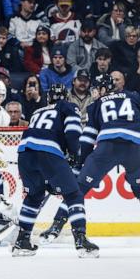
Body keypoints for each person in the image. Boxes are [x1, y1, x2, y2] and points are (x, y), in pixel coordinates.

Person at [40, 74, 140, 244]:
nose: (93, 94)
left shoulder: (96, 105)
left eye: (95, 90)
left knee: (77, 189)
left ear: (103, 89)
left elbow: (88, 138)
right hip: (135, 148)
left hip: (108, 147)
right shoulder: (134, 96)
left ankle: (56, 225)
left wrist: (79, 161)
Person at [12, 83, 99, 258]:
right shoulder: (69, 106)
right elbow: (73, 132)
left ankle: (22, 240)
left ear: (48, 98)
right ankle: (81, 239)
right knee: (74, 194)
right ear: (65, 97)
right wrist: (74, 154)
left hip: (24, 151)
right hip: (49, 151)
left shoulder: (38, 111)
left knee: (34, 196)